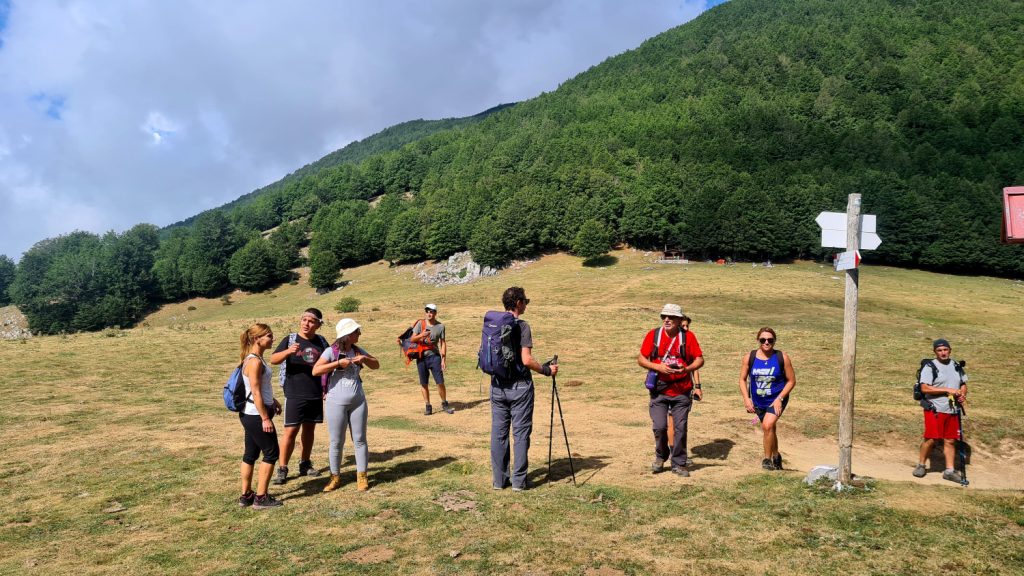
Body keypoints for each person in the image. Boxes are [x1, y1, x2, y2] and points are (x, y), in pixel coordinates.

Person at [490, 286, 558, 491]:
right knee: (520, 434)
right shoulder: (522, 326)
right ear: (518, 303)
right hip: (520, 387)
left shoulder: (494, 324)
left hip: (496, 386)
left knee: (498, 434)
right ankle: (519, 482)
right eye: (525, 301)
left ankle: (499, 481)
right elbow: (526, 360)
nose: (526, 304)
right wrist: (546, 370)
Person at [637, 304, 705, 477]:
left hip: (682, 390)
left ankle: (679, 463)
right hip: (659, 390)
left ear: (679, 320)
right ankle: (661, 457)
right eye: (664, 316)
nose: (667, 320)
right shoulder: (653, 335)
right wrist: (658, 367)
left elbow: (699, 359)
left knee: (680, 428)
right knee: (659, 427)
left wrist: (686, 370)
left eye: (671, 317)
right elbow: (641, 359)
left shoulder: (688, 337)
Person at [313, 318, 379, 492]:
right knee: (336, 442)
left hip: (358, 401)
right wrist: (337, 364)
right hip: (335, 403)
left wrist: (364, 359)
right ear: (347, 335)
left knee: (360, 439)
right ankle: (334, 477)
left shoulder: (357, 350)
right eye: (357, 331)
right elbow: (316, 370)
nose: (359, 334)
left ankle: (362, 476)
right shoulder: (330, 352)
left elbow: (376, 365)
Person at [270, 308, 330, 485]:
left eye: (311, 321)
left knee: (309, 430)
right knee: (291, 430)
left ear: (318, 324)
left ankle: (305, 463)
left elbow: (329, 362)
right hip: (295, 392)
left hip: (315, 392)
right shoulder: (290, 339)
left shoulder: (321, 341)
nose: (306, 323)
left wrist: (326, 388)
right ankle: (282, 468)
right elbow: (273, 359)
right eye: (304, 319)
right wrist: (288, 352)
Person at [237, 323, 284, 509]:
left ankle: (246, 495)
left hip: (250, 414)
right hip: (256, 415)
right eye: (269, 336)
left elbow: (258, 388)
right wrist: (265, 418)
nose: (272, 339)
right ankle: (261, 497)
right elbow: (255, 392)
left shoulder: (253, 359)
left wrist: (273, 400)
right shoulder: (255, 361)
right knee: (271, 452)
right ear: (257, 339)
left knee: (250, 454)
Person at [738, 327, 796, 470]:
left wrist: (780, 398)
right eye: (763, 340)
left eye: (770, 340)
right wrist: (747, 399)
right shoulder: (749, 357)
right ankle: (776, 455)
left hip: (777, 399)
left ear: (774, 341)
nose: (766, 342)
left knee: (767, 426)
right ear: (758, 340)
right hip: (758, 401)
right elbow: (742, 379)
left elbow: (791, 381)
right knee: (770, 429)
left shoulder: (782, 357)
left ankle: (767, 460)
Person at [912, 338, 968, 483]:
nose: (943, 353)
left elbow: (963, 384)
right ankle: (921, 465)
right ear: (935, 352)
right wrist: (947, 389)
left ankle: (949, 471)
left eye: (945, 350)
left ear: (950, 350)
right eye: (939, 350)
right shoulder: (930, 366)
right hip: (934, 408)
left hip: (953, 409)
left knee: (950, 440)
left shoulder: (956, 365)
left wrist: (962, 394)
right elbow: (925, 388)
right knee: (931, 438)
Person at [667, 314, 703, 466]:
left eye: (688, 326)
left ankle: (677, 452)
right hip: (669, 387)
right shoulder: (672, 343)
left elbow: (695, 365)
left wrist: (698, 386)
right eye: (683, 326)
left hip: (685, 387)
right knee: (672, 422)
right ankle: (674, 451)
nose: (686, 329)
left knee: (680, 422)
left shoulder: (687, 342)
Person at [410, 303, 453, 415]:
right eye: (427, 311)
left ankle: (444, 403)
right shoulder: (420, 324)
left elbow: (443, 343)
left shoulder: (440, 326)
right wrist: (422, 335)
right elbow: (412, 339)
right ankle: (428, 406)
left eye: (431, 311)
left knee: (440, 382)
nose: (429, 313)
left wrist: (444, 359)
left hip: (435, 357)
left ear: (435, 313)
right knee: (424, 383)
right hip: (421, 358)